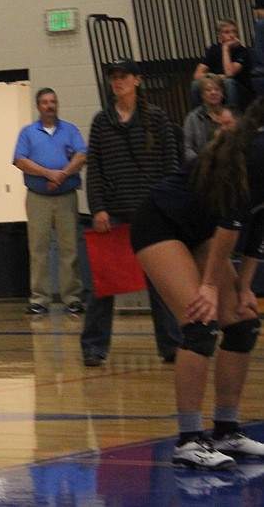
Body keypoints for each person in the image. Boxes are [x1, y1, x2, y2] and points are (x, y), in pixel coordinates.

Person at [134, 98, 264, 470]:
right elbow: (231, 219)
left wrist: (245, 288)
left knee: (242, 324)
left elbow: (258, 224)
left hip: (204, 230)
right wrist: (208, 286)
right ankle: (189, 440)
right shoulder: (257, 149)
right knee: (200, 325)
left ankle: (226, 430)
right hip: (162, 222)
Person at [81, 57, 183, 368]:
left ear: (137, 80)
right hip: (113, 215)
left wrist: (167, 207)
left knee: (160, 282)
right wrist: (98, 208)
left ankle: (171, 345)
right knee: (104, 284)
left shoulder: (158, 119)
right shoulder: (101, 122)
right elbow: (94, 170)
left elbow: (172, 168)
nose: (118, 81)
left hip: (151, 212)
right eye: (113, 77)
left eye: (124, 76)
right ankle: (94, 347)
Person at [12, 88, 87, 316]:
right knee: (38, 249)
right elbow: (20, 161)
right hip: (38, 199)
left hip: (66, 197)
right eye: (45, 102)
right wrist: (48, 174)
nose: (49, 105)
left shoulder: (70, 130)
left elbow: (82, 156)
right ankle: (39, 300)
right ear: (38, 106)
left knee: (70, 250)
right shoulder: (28, 133)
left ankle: (72, 299)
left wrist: (61, 175)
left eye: (53, 101)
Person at [193, 18, 254, 109]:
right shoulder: (213, 50)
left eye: (234, 32)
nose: (232, 35)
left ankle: (232, 115)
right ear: (219, 35)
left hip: (241, 89)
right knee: (195, 84)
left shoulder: (243, 52)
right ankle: (200, 117)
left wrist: (225, 49)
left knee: (228, 83)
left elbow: (229, 73)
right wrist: (216, 78)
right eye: (227, 32)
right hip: (217, 84)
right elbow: (197, 75)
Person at [182, 73, 235, 162]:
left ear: (222, 93)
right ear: (202, 95)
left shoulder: (233, 114)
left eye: (217, 89)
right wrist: (200, 163)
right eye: (208, 90)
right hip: (205, 164)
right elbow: (187, 148)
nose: (213, 92)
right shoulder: (192, 118)